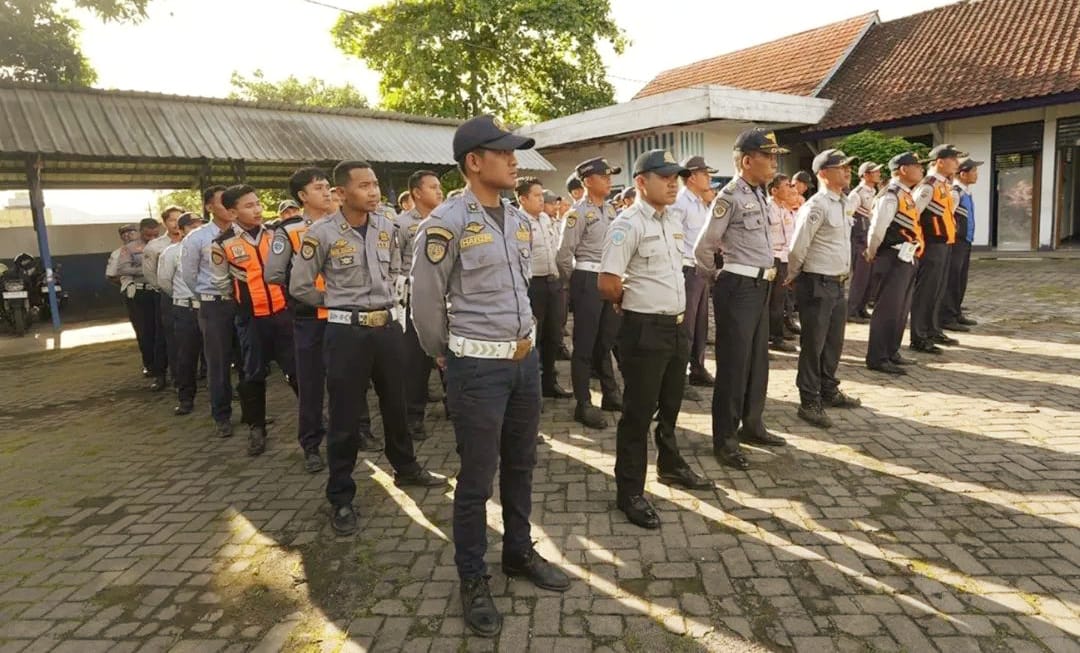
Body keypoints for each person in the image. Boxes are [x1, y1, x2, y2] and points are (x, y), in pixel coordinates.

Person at [411, 115, 571, 638]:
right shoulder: (445, 222)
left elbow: (521, 288)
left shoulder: (519, 220)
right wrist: (446, 357)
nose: (514, 160)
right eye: (504, 152)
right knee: (477, 478)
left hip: (523, 362)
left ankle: (518, 553)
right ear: (474, 162)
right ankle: (472, 575)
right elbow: (426, 305)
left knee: (522, 463)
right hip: (476, 367)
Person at [290, 160, 446, 536]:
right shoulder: (321, 233)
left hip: (388, 328)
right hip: (347, 334)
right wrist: (339, 302)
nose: (373, 191)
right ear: (340, 193)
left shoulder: (387, 227)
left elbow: (395, 270)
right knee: (345, 417)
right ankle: (341, 495)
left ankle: (406, 468)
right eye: (364, 186)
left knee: (397, 402)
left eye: (375, 184)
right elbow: (299, 285)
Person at [599, 149, 711, 530]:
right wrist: (629, 304)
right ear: (641, 182)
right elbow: (608, 281)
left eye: (676, 177)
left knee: (671, 402)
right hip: (644, 329)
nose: (672, 183)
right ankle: (629, 490)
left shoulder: (672, 220)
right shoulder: (627, 224)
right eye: (664, 176)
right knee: (638, 412)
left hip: (676, 326)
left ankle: (669, 463)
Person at [693, 128, 788, 471]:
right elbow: (703, 247)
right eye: (769, 156)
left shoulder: (760, 194)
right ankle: (725, 439)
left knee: (757, 361)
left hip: (761, 286)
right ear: (747, 161)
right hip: (739, 287)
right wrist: (718, 279)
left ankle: (752, 424)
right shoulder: (729, 197)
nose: (775, 162)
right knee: (733, 366)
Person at [210, 185, 298, 456]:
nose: (257, 209)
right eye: (249, 206)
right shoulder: (222, 243)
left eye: (258, 203)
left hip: (284, 315)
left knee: (298, 370)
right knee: (252, 375)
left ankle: (314, 419)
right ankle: (256, 427)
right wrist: (243, 303)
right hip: (251, 320)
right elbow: (221, 283)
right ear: (232, 212)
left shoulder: (276, 233)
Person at [264, 167, 342, 473]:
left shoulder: (344, 223)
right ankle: (311, 444)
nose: (327, 192)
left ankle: (353, 432)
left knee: (346, 379)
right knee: (311, 384)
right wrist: (305, 288)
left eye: (328, 187)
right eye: (319, 188)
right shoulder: (289, 230)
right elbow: (273, 273)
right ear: (302, 196)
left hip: (342, 315)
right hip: (310, 317)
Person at [787, 149, 863, 429]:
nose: (847, 171)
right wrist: (793, 276)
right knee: (813, 345)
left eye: (848, 166)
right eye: (840, 167)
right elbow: (798, 246)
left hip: (837, 282)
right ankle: (809, 400)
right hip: (817, 282)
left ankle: (828, 389)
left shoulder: (842, 202)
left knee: (834, 342)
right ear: (822, 173)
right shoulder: (816, 206)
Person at [557, 157, 624, 428]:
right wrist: (576, 283)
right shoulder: (577, 213)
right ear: (587, 181)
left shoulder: (610, 210)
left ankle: (610, 393)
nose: (609, 180)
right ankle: (583, 402)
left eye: (609, 175)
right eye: (603, 176)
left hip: (609, 277)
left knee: (606, 339)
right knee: (584, 345)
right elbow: (563, 255)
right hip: (586, 277)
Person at [182, 185, 237, 438]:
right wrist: (209, 298)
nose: (229, 206)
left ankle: (253, 412)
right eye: (223, 202)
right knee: (219, 362)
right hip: (214, 305)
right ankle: (222, 415)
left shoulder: (243, 233)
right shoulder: (196, 238)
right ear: (208, 207)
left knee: (249, 361)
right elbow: (190, 277)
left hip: (243, 303)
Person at [864, 152, 925, 375]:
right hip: (892, 256)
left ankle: (891, 351)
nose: (921, 169)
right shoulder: (890, 195)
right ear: (902, 170)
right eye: (916, 166)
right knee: (888, 308)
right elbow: (878, 228)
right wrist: (871, 251)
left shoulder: (906, 194)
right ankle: (878, 356)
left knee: (901, 308)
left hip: (907, 256)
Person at [396, 169, 445, 439]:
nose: (439, 192)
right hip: (414, 298)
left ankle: (457, 407)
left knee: (450, 355)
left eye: (440, 187)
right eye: (433, 187)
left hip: (446, 297)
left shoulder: (448, 219)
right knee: (415, 362)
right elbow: (393, 266)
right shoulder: (402, 225)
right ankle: (413, 416)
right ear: (416, 192)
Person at [517, 177, 571, 399]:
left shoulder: (545, 219)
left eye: (542, 195)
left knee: (553, 335)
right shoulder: (516, 221)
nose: (542, 199)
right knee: (534, 339)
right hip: (532, 286)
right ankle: (532, 390)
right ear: (522, 198)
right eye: (537, 196)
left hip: (552, 282)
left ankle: (549, 382)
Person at [910, 144, 964, 353]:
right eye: (953, 159)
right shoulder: (928, 185)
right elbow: (913, 215)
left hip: (944, 243)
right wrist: (918, 243)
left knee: (938, 290)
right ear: (940, 161)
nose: (957, 164)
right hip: (931, 245)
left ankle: (932, 329)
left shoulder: (943, 185)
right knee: (925, 291)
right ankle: (919, 335)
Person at [674, 155, 718, 387]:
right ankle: (678, 377)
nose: (709, 178)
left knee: (701, 325)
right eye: (705, 174)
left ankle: (698, 369)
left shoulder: (700, 202)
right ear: (691, 177)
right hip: (687, 270)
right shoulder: (680, 203)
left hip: (700, 271)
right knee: (686, 327)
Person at [159, 212, 205, 414]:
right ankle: (186, 398)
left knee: (218, 355)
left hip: (209, 307)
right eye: (191, 226)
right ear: (181, 229)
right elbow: (165, 283)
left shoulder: (211, 249)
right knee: (186, 356)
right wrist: (184, 297)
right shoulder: (171, 253)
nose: (197, 230)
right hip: (185, 308)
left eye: (200, 226)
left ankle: (224, 395)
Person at [141, 206, 184, 392]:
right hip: (166, 296)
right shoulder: (155, 246)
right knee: (166, 338)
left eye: (180, 219)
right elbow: (150, 274)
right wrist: (168, 290)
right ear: (165, 222)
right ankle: (163, 375)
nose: (176, 223)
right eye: (172, 220)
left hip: (191, 296)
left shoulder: (192, 241)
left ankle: (190, 375)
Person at [115, 218, 162, 381]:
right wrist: (145, 269)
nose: (152, 238)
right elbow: (121, 268)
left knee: (161, 331)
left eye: (156, 234)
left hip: (160, 292)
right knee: (145, 331)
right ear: (141, 231)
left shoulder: (165, 244)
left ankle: (164, 365)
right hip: (140, 294)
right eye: (148, 235)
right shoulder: (129, 249)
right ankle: (150, 365)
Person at [942, 157, 982, 331]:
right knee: (952, 279)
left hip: (965, 241)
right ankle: (947, 317)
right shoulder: (955, 192)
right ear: (963, 174)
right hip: (956, 242)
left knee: (961, 279)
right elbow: (947, 217)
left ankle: (956, 312)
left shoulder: (965, 191)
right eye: (973, 171)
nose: (976, 174)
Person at [847, 162, 881, 324]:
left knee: (869, 276)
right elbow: (848, 216)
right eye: (874, 171)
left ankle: (862, 307)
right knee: (860, 277)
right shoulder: (857, 194)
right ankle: (852, 310)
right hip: (860, 238)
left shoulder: (874, 191)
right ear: (865, 174)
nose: (878, 173)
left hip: (870, 237)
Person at [766, 174, 797, 353]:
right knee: (772, 301)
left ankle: (776, 334)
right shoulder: (768, 208)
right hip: (772, 258)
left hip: (784, 258)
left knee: (780, 300)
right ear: (774, 190)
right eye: (786, 185)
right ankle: (774, 338)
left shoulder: (785, 209)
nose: (790, 188)